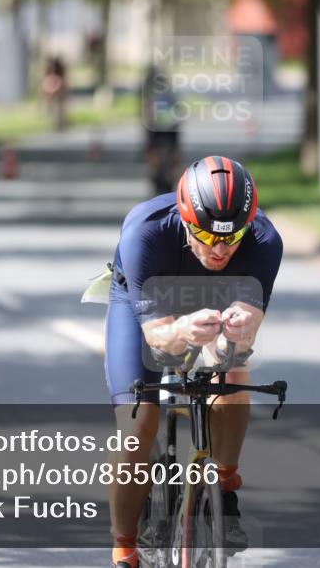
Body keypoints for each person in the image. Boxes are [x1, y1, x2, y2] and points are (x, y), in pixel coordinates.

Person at [104, 156, 283, 568]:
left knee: (234, 372)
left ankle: (225, 482)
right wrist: (182, 331)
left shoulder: (265, 241)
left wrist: (231, 339)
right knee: (138, 424)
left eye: (232, 237)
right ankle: (124, 547)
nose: (220, 249)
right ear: (186, 220)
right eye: (205, 235)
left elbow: (248, 327)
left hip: (218, 298)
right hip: (151, 306)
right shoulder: (145, 234)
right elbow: (158, 339)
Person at [141, 64, 181, 195]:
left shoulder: (151, 95)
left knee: (158, 157)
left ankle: (164, 175)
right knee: (164, 158)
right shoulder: (169, 95)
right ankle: (166, 175)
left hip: (161, 132)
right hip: (165, 132)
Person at [41, 56, 68, 131]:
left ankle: (60, 124)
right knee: (54, 111)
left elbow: (62, 86)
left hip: (58, 98)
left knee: (59, 111)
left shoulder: (59, 77)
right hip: (52, 97)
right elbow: (45, 87)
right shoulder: (49, 76)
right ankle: (56, 124)